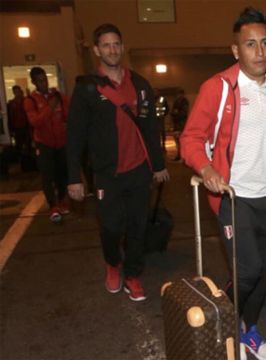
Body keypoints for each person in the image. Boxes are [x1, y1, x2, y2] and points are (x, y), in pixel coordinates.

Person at [180, 8, 266, 359]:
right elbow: (190, 139)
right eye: (250, 44)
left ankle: (250, 331)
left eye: (265, 43)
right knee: (246, 272)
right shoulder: (217, 88)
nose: (259, 51)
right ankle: (221, 325)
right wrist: (205, 168)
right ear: (236, 51)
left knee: (260, 272)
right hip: (234, 196)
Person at [67, 23, 170, 302]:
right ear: (97, 50)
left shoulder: (140, 84)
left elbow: (150, 126)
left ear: (122, 48)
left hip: (139, 171)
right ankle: (113, 263)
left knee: (138, 226)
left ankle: (133, 275)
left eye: (116, 44)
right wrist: (74, 176)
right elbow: (74, 135)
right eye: (106, 45)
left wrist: (159, 164)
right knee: (111, 226)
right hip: (107, 173)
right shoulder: (87, 89)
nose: (112, 49)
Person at [23, 67, 70, 222]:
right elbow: (35, 121)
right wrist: (50, 107)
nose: (44, 82)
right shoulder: (30, 101)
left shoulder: (58, 96)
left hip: (61, 142)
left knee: (62, 173)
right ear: (34, 82)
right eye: (40, 80)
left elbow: (68, 114)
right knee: (47, 175)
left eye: (45, 79)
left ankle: (63, 200)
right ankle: (53, 205)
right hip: (44, 143)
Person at [7, 86, 33, 167]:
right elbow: (10, 117)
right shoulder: (11, 103)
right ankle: (21, 163)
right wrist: (11, 130)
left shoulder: (25, 101)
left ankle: (29, 162)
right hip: (17, 128)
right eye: (15, 92)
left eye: (18, 91)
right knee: (19, 145)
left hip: (26, 127)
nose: (17, 93)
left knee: (28, 144)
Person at [170, 89, 189, 161]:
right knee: (177, 140)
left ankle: (184, 156)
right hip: (176, 123)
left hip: (182, 124)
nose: (178, 96)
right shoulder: (176, 102)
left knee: (182, 140)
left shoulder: (184, 102)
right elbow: (173, 111)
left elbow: (183, 113)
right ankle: (179, 154)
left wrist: (176, 113)